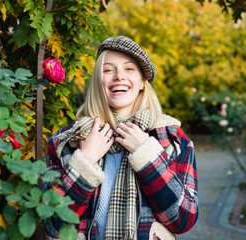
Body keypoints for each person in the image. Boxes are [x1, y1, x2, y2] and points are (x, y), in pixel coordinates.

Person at [43, 36, 198, 240]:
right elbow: (52, 224)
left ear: (143, 82)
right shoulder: (66, 142)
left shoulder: (171, 139)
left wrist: (147, 155)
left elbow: (183, 219)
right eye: (108, 70)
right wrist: (85, 161)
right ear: (99, 81)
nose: (118, 76)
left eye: (129, 69)